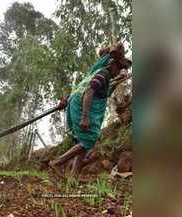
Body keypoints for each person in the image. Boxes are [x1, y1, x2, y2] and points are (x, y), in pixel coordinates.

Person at [50, 42, 132, 179]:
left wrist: (118, 80)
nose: (118, 71)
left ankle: (73, 176)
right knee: (90, 139)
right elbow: (89, 92)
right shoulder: (104, 73)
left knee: (82, 141)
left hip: (74, 103)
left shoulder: (98, 74)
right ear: (111, 64)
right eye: (118, 68)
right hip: (81, 105)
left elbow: (103, 93)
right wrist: (85, 116)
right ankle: (57, 163)